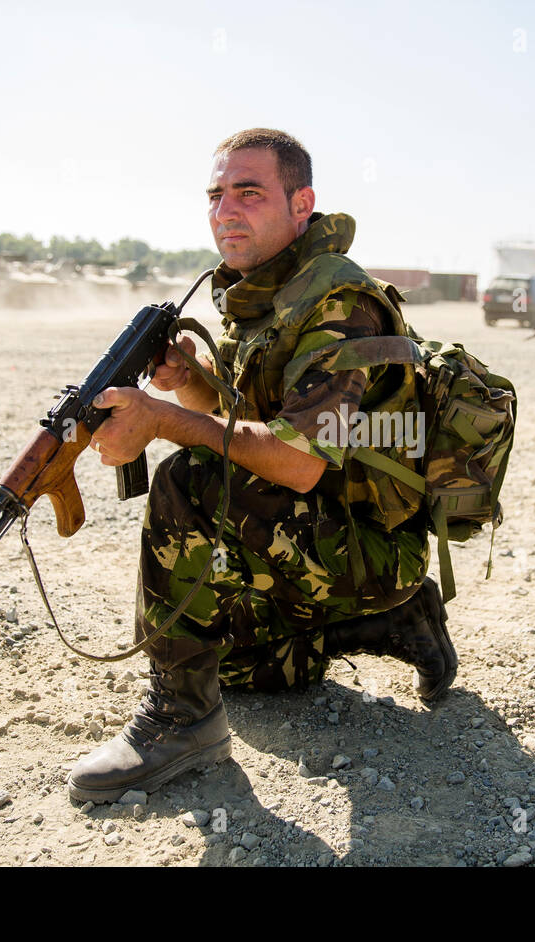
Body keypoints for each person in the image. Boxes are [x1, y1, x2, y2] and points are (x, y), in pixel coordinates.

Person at [66, 128, 455, 804]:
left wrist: (163, 420)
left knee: (189, 478)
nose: (226, 211)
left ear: (301, 204)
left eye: (249, 193)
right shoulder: (267, 293)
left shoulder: (340, 305)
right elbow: (242, 414)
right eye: (216, 195)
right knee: (236, 666)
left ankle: (181, 722)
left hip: (362, 537)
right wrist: (185, 380)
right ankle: (389, 621)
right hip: (317, 530)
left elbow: (298, 463)